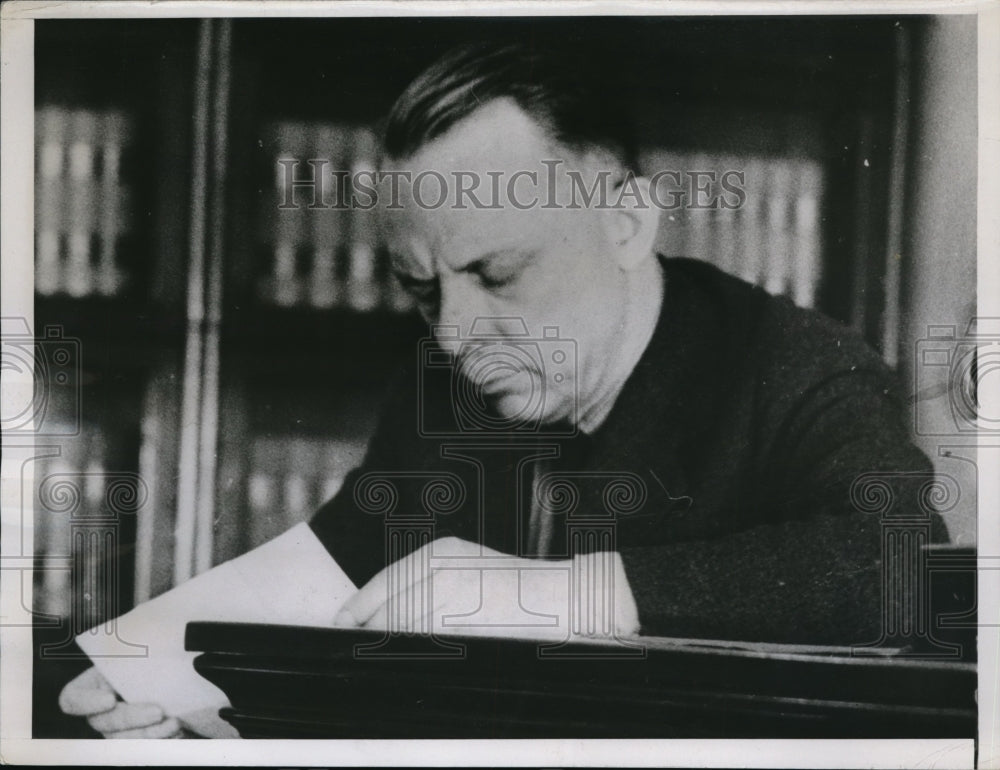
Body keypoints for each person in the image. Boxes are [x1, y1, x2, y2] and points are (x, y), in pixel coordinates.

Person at [59, 41, 945, 738]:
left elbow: (898, 560)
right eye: (422, 286)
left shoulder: (794, 363)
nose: (454, 333)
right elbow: (339, 561)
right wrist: (156, 671)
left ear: (627, 221)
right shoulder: (448, 385)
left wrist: (557, 595)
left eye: (501, 272)